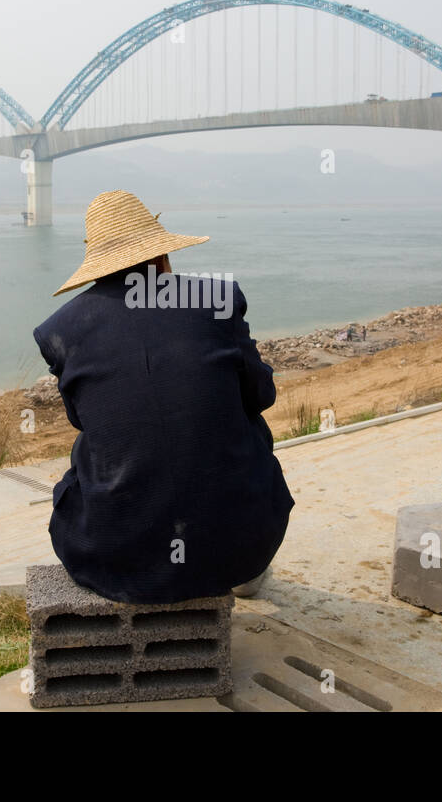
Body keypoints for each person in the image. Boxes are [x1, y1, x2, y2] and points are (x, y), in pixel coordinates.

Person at [32, 190, 293, 604]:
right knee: (247, 420)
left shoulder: (60, 330)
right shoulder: (217, 300)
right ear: (161, 255)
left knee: (97, 442)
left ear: (98, 268)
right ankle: (229, 554)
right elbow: (261, 394)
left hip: (110, 558)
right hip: (243, 549)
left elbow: (82, 420)